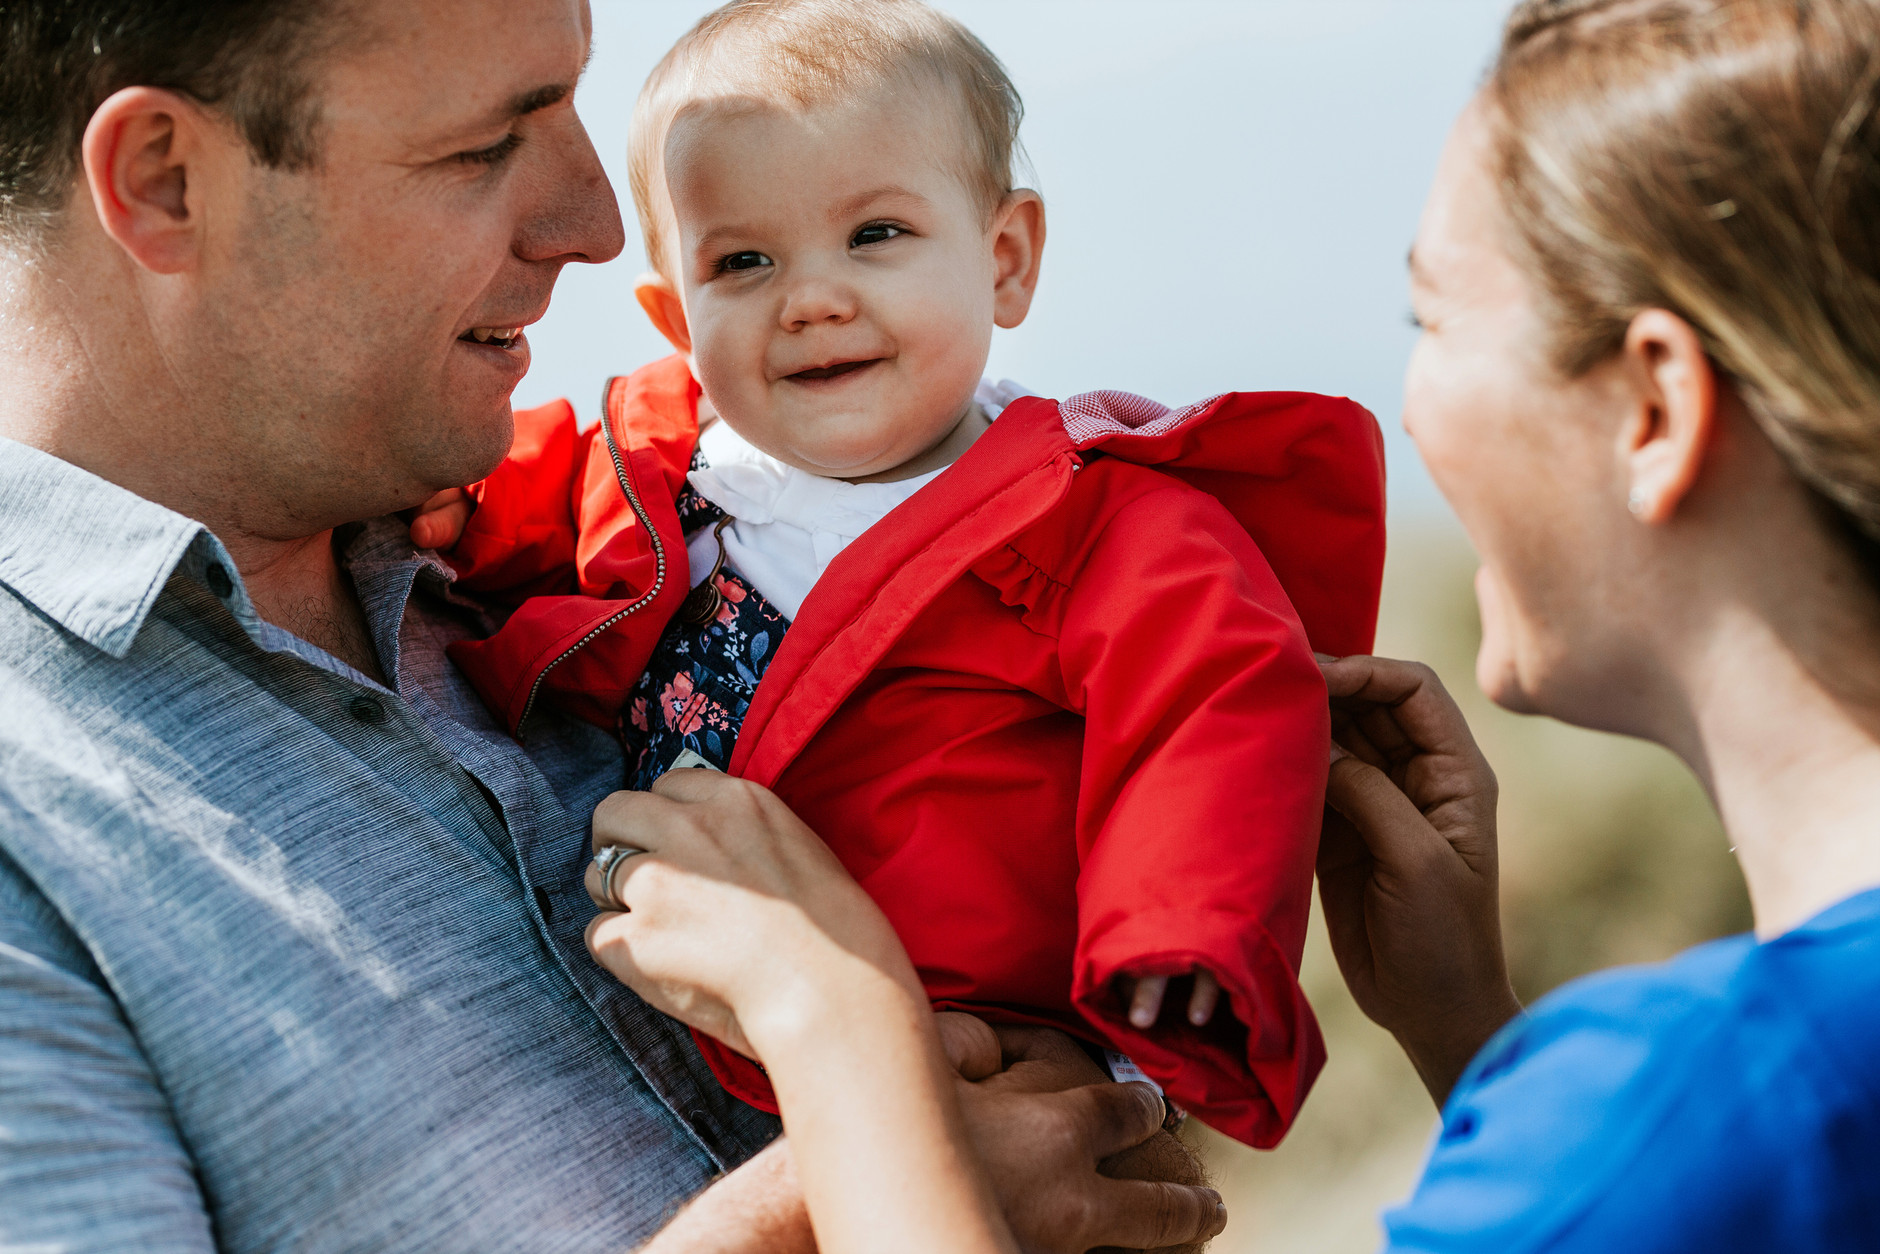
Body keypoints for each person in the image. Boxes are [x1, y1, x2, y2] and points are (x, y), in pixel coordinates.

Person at [581, 0, 1880, 1248]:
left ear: (1655, 405)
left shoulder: (1704, 1121)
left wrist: (840, 1024)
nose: (1407, 413)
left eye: (1432, 317)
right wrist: (1468, 1030)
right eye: (743, 260)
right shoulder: (1734, 1104)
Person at [0, 2, 1229, 1251]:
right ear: (165, 181)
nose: (591, 223)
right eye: (487, 144)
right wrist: (868, 1154)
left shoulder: (594, 533)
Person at [417, 0, 1387, 1149]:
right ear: (678, 317)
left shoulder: (1098, 521)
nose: (813, 295)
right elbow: (525, 498)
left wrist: (1182, 934)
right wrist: (446, 501)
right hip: (678, 1032)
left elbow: (1216, 710)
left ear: (1004, 258)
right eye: (743, 260)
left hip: (964, 1043)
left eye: (874, 235)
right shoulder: (658, 469)